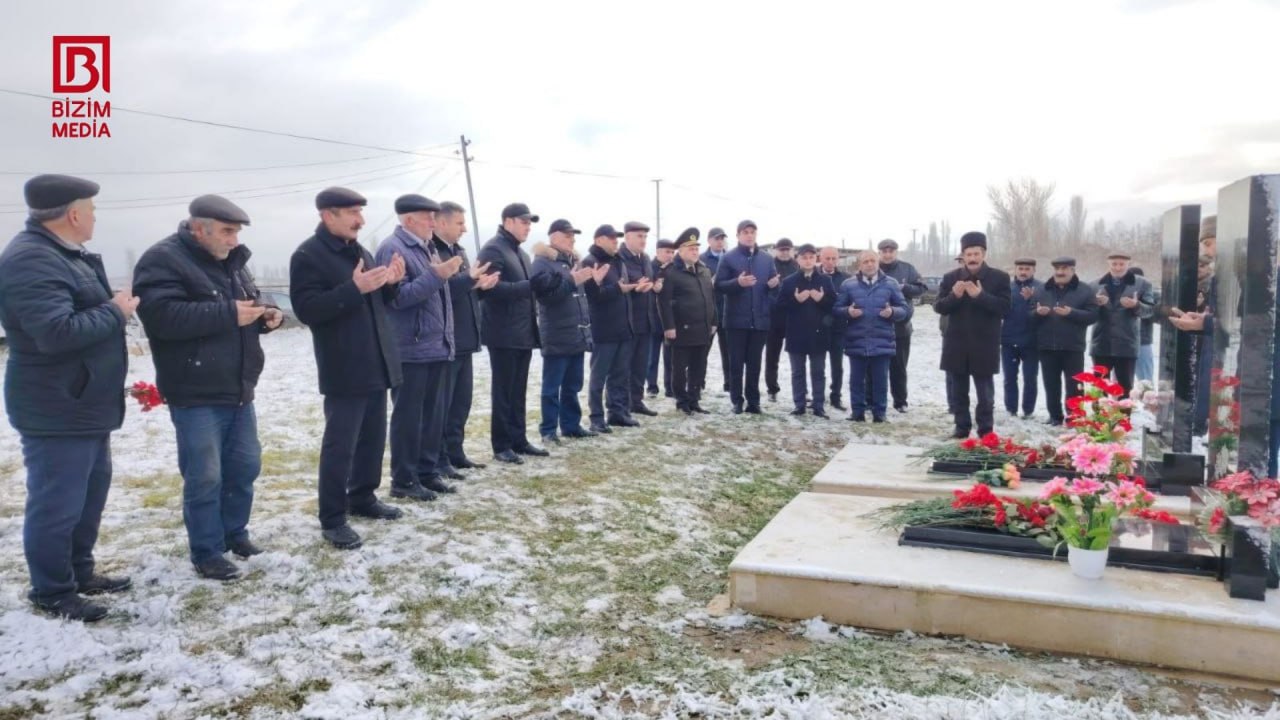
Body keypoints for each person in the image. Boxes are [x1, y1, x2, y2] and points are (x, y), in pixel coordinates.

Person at [0, 174, 135, 621]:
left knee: (87, 498)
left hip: (83, 402)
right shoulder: (32, 259)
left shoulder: (63, 255)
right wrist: (115, 311)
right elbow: (55, 333)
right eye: (92, 210)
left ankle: (79, 572)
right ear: (74, 214)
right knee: (57, 504)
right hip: (56, 406)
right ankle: (53, 591)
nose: (95, 218)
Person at [133, 194, 282, 581]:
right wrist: (229, 313)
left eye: (237, 232)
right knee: (205, 475)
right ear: (199, 229)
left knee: (244, 467)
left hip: (238, 387)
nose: (234, 240)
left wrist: (266, 314)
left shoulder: (231, 261)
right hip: (194, 390)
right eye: (228, 232)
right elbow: (161, 317)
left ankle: (235, 534)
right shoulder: (162, 260)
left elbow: (249, 301)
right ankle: (207, 550)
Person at [290, 187, 407, 550]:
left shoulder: (360, 252)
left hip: (376, 360)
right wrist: (353, 288)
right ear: (328, 215)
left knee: (372, 437)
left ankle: (363, 496)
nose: (361, 220)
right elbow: (308, 310)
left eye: (360, 212)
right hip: (344, 364)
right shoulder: (308, 256)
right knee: (340, 445)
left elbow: (377, 301)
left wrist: (390, 284)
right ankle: (333, 517)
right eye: (353, 213)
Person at [375, 194, 461, 502]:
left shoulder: (427, 247)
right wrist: (437, 275)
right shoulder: (392, 248)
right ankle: (404, 479)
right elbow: (397, 298)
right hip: (410, 348)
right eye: (428, 217)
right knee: (409, 418)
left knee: (432, 416)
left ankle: (427, 472)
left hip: (435, 345)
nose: (433, 223)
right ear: (409, 219)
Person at [476, 203, 548, 463]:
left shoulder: (520, 253)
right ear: (508, 222)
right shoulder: (494, 249)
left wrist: (542, 286)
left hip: (523, 331)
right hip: (503, 332)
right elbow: (488, 290)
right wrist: (528, 286)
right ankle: (501, 445)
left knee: (518, 392)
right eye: (523, 222)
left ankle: (519, 440)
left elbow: (527, 289)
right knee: (504, 391)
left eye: (530, 223)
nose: (528, 227)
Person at [431, 202, 497, 474]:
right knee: (443, 406)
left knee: (461, 403)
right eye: (459, 223)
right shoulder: (433, 252)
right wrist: (469, 279)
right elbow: (441, 292)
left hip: (466, 339)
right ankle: (440, 459)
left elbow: (462, 293)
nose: (464, 229)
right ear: (441, 222)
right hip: (447, 341)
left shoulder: (458, 250)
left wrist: (480, 287)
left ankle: (456, 453)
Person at [935, 232, 1011, 438]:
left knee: (985, 394)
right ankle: (961, 428)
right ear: (963, 255)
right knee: (958, 392)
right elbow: (939, 307)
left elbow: (1005, 308)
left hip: (985, 344)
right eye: (968, 254)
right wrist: (955, 295)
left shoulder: (1000, 278)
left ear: (984, 254)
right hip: (956, 343)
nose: (972, 258)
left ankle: (986, 430)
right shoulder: (951, 278)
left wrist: (980, 296)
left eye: (976, 254)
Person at [530, 219, 597, 444]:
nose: (572, 240)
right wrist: (571, 280)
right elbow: (546, 297)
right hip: (557, 334)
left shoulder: (572, 262)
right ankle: (548, 430)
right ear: (554, 237)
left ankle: (571, 425)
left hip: (576, 334)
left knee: (573, 385)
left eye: (573, 236)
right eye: (567, 236)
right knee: (552, 387)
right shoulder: (542, 262)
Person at [835, 250, 910, 422]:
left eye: (873, 261)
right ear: (860, 264)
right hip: (857, 339)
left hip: (882, 340)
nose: (869, 264)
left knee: (880, 380)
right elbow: (837, 309)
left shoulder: (891, 284)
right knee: (856, 380)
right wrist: (847, 312)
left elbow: (904, 310)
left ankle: (880, 413)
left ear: (878, 263)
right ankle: (857, 413)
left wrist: (892, 312)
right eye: (865, 261)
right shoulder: (848, 285)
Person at [714, 219, 780, 414]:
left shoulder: (766, 259)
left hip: (759, 320)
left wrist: (773, 285)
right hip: (736, 320)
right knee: (736, 363)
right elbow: (719, 285)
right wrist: (738, 283)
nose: (749, 235)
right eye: (745, 232)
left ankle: (754, 401)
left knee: (754, 364)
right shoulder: (728, 258)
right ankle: (737, 400)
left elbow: (774, 286)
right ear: (738, 235)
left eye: (752, 232)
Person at [582, 224, 638, 432]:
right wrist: (617, 289)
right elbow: (592, 297)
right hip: (603, 329)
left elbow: (620, 290)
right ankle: (596, 418)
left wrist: (631, 288)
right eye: (611, 238)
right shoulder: (590, 262)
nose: (616, 241)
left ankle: (618, 413)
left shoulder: (617, 261)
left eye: (617, 238)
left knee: (620, 375)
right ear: (599, 240)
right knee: (599, 377)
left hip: (623, 327)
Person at [1030, 258, 1098, 426]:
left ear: (1073, 270)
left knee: (1074, 385)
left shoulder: (1085, 290)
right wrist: (1037, 313)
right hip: (1047, 346)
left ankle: (1075, 416)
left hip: (1073, 347)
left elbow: (1093, 316)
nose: (1060, 272)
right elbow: (1029, 315)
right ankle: (1055, 416)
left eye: (1064, 269)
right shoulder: (1041, 290)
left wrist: (1071, 313)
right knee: (1051, 384)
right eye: (1057, 269)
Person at [658, 228, 717, 414]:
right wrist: (668, 326)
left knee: (698, 366)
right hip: (681, 329)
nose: (694, 252)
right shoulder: (671, 272)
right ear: (681, 251)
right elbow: (664, 302)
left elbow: (711, 298)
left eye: (696, 248)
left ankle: (694, 399)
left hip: (702, 328)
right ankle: (682, 401)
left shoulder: (704, 270)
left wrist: (714, 321)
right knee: (679, 367)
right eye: (690, 249)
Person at [778, 244, 836, 417]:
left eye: (811, 257)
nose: (808, 261)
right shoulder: (789, 281)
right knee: (798, 372)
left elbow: (834, 305)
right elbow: (779, 306)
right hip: (796, 334)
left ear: (816, 259)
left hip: (819, 334)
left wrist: (822, 299)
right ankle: (799, 405)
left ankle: (818, 405)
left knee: (818, 372)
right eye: (804, 257)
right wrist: (795, 300)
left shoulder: (825, 280)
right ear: (798, 259)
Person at [1089, 251, 1155, 396]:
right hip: (1101, 343)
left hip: (1127, 344)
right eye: (1114, 264)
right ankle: (1100, 412)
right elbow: (1088, 314)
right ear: (1108, 264)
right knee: (1099, 390)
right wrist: (1096, 304)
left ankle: (1124, 412)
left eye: (1121, 264)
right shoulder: (1094, 285)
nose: (1118, 268)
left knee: (1125, 390)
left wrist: (1136, 305)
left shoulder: (1143, 284)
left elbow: (1150, 311)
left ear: (1128, 264)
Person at [875, 239, 927, 412]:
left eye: (891, 251)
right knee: (874, 367)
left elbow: (921, 288)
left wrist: (904, 287)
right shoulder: (872, 267)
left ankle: (900, 401)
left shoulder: (908, 268)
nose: (887, 254)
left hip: (901, 327)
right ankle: (871, 400)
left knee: (899, 367)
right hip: (877, 326)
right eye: (884, 251)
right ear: (879, 253)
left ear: (896, 252)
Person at [617, 221, 658, 417]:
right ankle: (621, 405)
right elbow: (617, 288)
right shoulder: (619, 258)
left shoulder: (645, 258)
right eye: (639, 236)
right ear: (627, 237)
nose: (643, 240)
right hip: (628, 322)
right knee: (624, 367)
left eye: (645, 236)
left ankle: (637, 401)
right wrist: (635, 289)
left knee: (640, 366)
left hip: (646, 321)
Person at [1001, 258, 1042, 418]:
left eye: (1027, 269)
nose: (1023, 272)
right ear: (1015, 270)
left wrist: (1033, 298)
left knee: (1030, 378)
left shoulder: (1042, 288)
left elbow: (1045, 311)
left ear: (1034, 270)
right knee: (1010, 378)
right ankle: (1011, 409)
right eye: (1020, 269)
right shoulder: (1006, 288)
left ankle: (1028, 410)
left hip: (1032, 341)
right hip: (1009, 340)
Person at [764, 238, 799, 402]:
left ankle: (800, 390)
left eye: (787, 249)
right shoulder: (769, 265)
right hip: (773, 317)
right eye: (781, 249)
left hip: (793, 317)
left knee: (798, 357)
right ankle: (772, 388)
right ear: (776, 250)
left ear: (792, 250)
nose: (784, 252)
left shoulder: (797, 266)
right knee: (772, 356)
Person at [818, 247, 850, 411]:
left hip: (838, 328)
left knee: (837, 365)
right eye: (827, 258)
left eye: (833, 259)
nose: (830, 262)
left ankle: (836, 396)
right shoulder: (814, 276)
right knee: (818, 366)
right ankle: (818, 396)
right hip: (818, 328)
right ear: (821, 259)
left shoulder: (846, 279)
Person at [700, 228, 731, 392]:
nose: (720, 242)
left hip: (727, 310)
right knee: (702, 349)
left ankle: (729, 384)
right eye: (716, 239)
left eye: (722, 239)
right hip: (708, 311)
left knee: (728, 351)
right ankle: (699, 382)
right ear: (709, 240)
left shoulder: (730, 258)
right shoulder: (701, 259)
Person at [647, 239, 677, 398]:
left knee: (670, 357)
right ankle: (652, 386)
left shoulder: (674, 269)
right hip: (652, 317)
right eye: (667, 252)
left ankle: (670, 386)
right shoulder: (649, 267)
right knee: (652, 356)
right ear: (658, 252)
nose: (670, 255)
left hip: (669, 319)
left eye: (672, 252)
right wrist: (654, 288)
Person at [942, 254, 963, 416]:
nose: (963, 264)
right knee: (951, 371)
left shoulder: (986, 279)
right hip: (950, 332)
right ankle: (953, 404)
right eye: (961, 261)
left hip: (977, 334)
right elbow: (940, 304)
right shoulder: (949, 279)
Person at [1130, 266, 1157, 384]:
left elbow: (1154, 314)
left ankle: (1147, 395)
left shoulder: (1151, 293)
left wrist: (1137, 305)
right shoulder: (1121, 293)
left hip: (1143, 341)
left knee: (1146, 380)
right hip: (1123, 343)